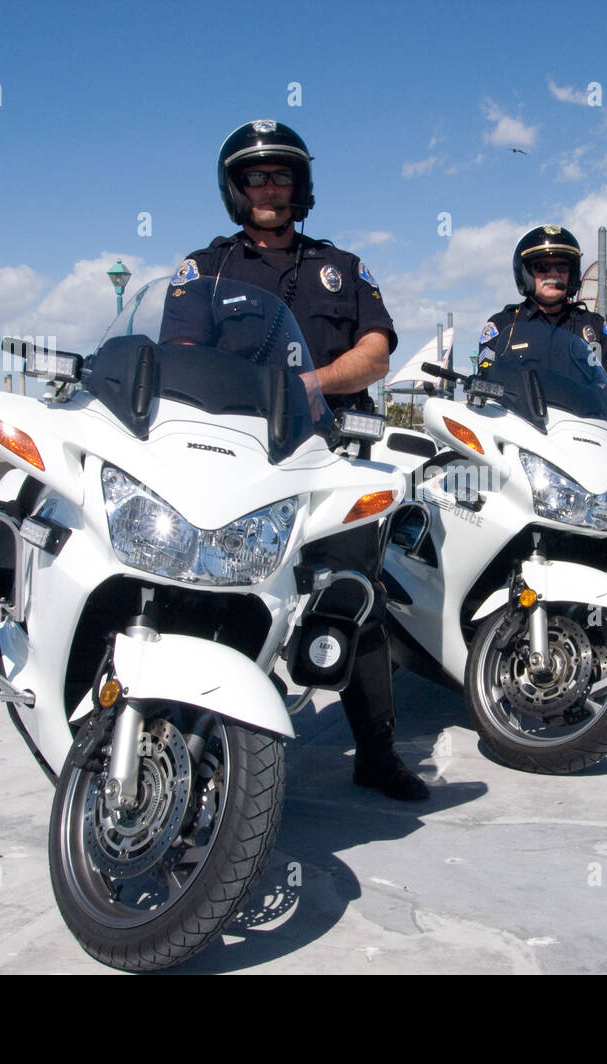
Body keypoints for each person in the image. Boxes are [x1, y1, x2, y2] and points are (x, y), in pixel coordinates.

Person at [160, 119, 428, 801]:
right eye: (255, 176)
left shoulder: (341, 266)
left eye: (280, 175)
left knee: (351, 598)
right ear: (236, 188)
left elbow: (376, 351)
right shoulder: (204, 268)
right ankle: (201, 744)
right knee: (211, 588)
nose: (268, 188)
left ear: (299, 185)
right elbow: (183, 360)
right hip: (234, 457)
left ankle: (376, 752)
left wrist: (312, 385)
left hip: (331, 453)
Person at [478, 225, 607, 391]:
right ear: (526, 273)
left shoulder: (593, 325)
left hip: (581, 416)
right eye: (542, 266)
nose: (553, 273)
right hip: (518, 416)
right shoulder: (503, 326)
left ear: (572, 273)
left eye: (562, 266)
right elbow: (488, 380)